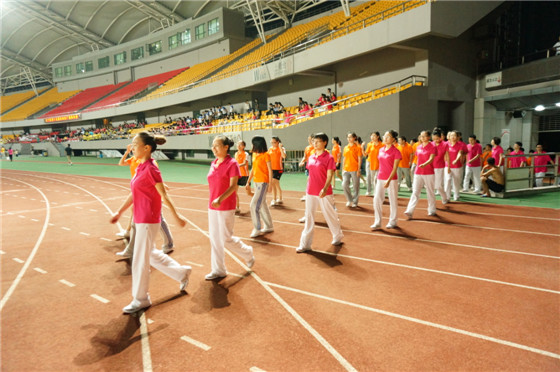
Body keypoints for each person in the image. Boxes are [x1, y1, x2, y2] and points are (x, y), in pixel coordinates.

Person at [110, 132, 192, 314]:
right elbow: (134, 193)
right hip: (140, 218)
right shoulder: (140, 166)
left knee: (140, 259)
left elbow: (164, 194)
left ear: (146, 148)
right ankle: (181, 273)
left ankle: (141, 299)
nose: (132, 147)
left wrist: (176, 216)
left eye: (134, 143)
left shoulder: (151, 169)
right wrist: (119, 212)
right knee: (150, 253)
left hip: (149, 218)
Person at [206, 136, 255, 280]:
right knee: (214, 238)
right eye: (213, 146)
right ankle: (218, 269)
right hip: (212, 206)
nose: (213, 149)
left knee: (225, 238)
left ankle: (247, 253)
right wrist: (214, 200)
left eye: (217, 146)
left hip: (226, 205)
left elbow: (233, 186)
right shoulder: (213, 163)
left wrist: (220, 198)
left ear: (226, 147)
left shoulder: (232, 163)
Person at [115, 144, 175, 258]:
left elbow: (155, 176)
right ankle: (131, 246)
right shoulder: (135, 160)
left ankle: (168, 243)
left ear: (145, 148)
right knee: (135, 218)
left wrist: (163, 185)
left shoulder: (150, 164)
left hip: (149, 195)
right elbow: (121, 163)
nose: (133, 149)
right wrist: (126, 152)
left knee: (158, 220)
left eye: (135, 146)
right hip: (139, 191)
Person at [297, 133, 344, 253]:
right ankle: (305, 244)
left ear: (325, 143)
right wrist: (307, 188)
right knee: (309, 216)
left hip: (324, 192)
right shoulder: (311, 157)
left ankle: (337, 235)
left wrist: (325, 187)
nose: (315, 143)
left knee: (329, 214)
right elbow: (311, 174)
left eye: (317, 141)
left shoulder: (329, 158)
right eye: (314, 141)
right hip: (310, 191)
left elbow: (330, 175)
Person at [372, 130, 402, 230]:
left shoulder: (396, 152)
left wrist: (388, 180)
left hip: (391, 179)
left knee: (392, 200)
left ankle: (393, 221)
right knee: (377, 199)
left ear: (393, 139)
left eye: (388, 136)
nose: (385, 138)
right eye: (384, 136)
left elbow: (395, 168)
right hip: (380, 177)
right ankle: (377, 222)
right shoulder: (381, 149)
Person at [404, 130, 437, 219]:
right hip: (418, 172)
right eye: (421, 136)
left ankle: (432, 209)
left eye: (424, 136)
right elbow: (417, 159)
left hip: (429, 172)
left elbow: (431, 158)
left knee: (430, 191)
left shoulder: (432, 147)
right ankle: (409, 210)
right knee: (415, 192)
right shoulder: (418, 147)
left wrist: (425, 164)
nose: (422, 138)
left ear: (428, 137)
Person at [245, 136, 274, 238]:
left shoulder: (266, 155)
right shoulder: (254, 154)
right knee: (263, 204)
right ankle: (269, 225)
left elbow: (270, 170)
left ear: (257, 144)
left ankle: (257, 228)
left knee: (254, 205)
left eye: (253, 143)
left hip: (263, 183)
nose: (252, 145)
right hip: (256, 182)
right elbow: (253, 168)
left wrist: (270, 185)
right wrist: (248, 181)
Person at [342, 132, 362, 208]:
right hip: (346, 169)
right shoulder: (345, 148)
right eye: (348, 137)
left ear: (354, 138)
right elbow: (344, 158)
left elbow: (360, 159)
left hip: (355, 169)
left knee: (355, 186)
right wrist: (343, 168)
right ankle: (350, 199)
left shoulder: (358, 147)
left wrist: (358, 170)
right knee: (344, 184)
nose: (349, 139)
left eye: (350, 137)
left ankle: (355, 202)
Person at [444, 130, 464, 201]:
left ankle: (456, 195)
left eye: (454, 135)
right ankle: (447, 196)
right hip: (447, 166)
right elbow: (444, 154)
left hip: (457, 166)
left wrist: (456, 160)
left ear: (457, 137)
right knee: (448, 180)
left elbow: (460, 153)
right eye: (451, 135)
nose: (452, 137)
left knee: (456, 181)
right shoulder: (446, 144)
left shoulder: (460, 145)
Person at [431, 128, 449, 203]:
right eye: (434, 139)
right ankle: (432, 201)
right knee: (431, 186)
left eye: (437, 139)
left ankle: (444, 197)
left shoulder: (445, 144)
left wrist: (449, 166)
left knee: (438, 186)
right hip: (430, 167)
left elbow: (447, 156)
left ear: (440, 137)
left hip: (440, 167)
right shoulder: (431, 144)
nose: (435, 140)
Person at [268, 137, 286, 206]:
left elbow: (284, 156)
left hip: (279, 169)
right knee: (276, 184)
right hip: (271, 169)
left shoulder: (282, 149)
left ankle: (274, 199)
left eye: (274, 142)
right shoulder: (270, 149)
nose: (272, 144)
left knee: (273, 182)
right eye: (271, 142)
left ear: (278, 142)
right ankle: (280, 198)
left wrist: (280, 148)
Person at [364, 132, 382, 196]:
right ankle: (369, 191)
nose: (372, 137)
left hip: (378, 163)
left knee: (376, 179)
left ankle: (376, 192)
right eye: (371, 136)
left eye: (374, 136)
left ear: (378, 136)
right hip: (369, 162)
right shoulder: (369, 144)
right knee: (369, 177)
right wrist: (362, 147)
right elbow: (365, 154)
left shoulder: (382, 145)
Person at [234, 140, 249, 213]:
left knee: (248, 192)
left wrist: (235, 166)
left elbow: (244, 163)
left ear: (243, 146)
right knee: (234, 191)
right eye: (238, 144)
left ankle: (260, 201)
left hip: (244, 175)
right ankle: (237, 207)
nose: (238, 146)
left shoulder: (246, 154)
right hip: (237, 174)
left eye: (240, 145)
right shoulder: (236, 154)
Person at [298, 134, 315, 201]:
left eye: (311, 140)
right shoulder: (307, 148)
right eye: (309, 140)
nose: (310, 141)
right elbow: (305, 157)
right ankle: (310, 194)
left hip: (315, 168)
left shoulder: (316, 148)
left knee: (309, 180)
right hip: (308, 167)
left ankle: (308, 195)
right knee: (310, 181)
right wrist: (301, 162)